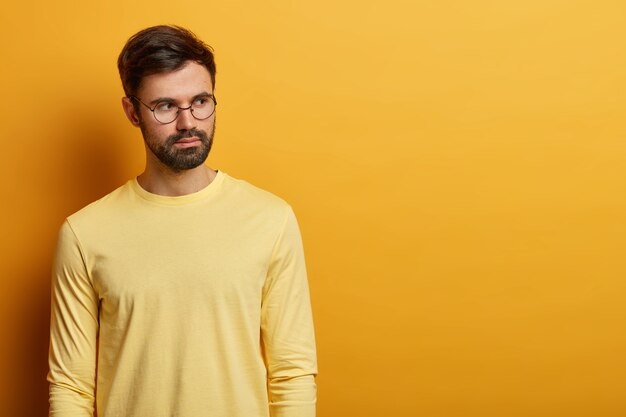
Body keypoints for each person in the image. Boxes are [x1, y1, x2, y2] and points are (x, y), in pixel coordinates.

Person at [47, 25, 317, 417]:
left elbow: (292, 373)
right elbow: (70, 386)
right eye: (166, 106)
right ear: (132, 112)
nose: (188, 122)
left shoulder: (271, 220)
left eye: (201, 101)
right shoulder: (84, 234)